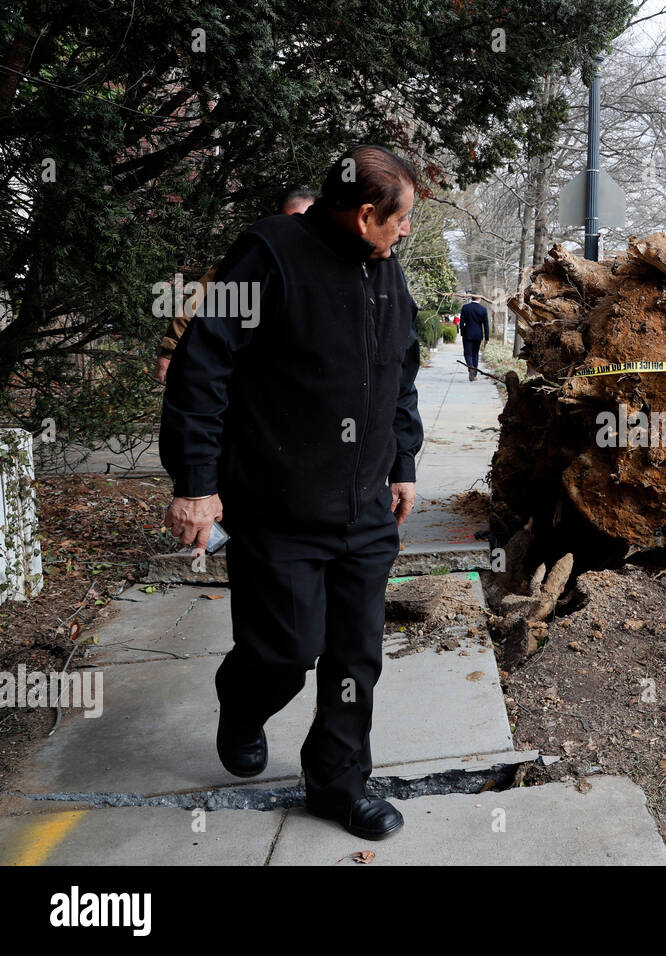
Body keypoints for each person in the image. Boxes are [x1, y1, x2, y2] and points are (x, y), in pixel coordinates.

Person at [158, 146, 423, 840]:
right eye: (400, 221)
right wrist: (196, 485)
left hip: (364, 508)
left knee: (355, 656)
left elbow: (401, 371)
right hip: (278, 505)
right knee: (283, 651)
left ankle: (338, 785)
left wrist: (404, 462)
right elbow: (201, 367)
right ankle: (241, 702)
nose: (404, 234)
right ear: (367, 215)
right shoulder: (270, 254)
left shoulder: (386, 272)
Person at [153, 186, 318, 384]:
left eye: (304, 221)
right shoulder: (251, 259)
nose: (295, 229)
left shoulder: (330, 269)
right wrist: (169, 351)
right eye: (290, 220)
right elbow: (199, 299)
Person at [459, 297, 490, 381]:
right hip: (478, 335)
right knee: (475, 354)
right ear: (479, 299)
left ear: (471, 298)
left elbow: (461, 322)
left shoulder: (465, 308)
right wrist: (486, 338)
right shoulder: (483, 309)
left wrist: (462, 333)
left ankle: (470, 366)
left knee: (467, 353)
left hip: (467, 334)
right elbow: (486, 325)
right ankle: (474, 375)